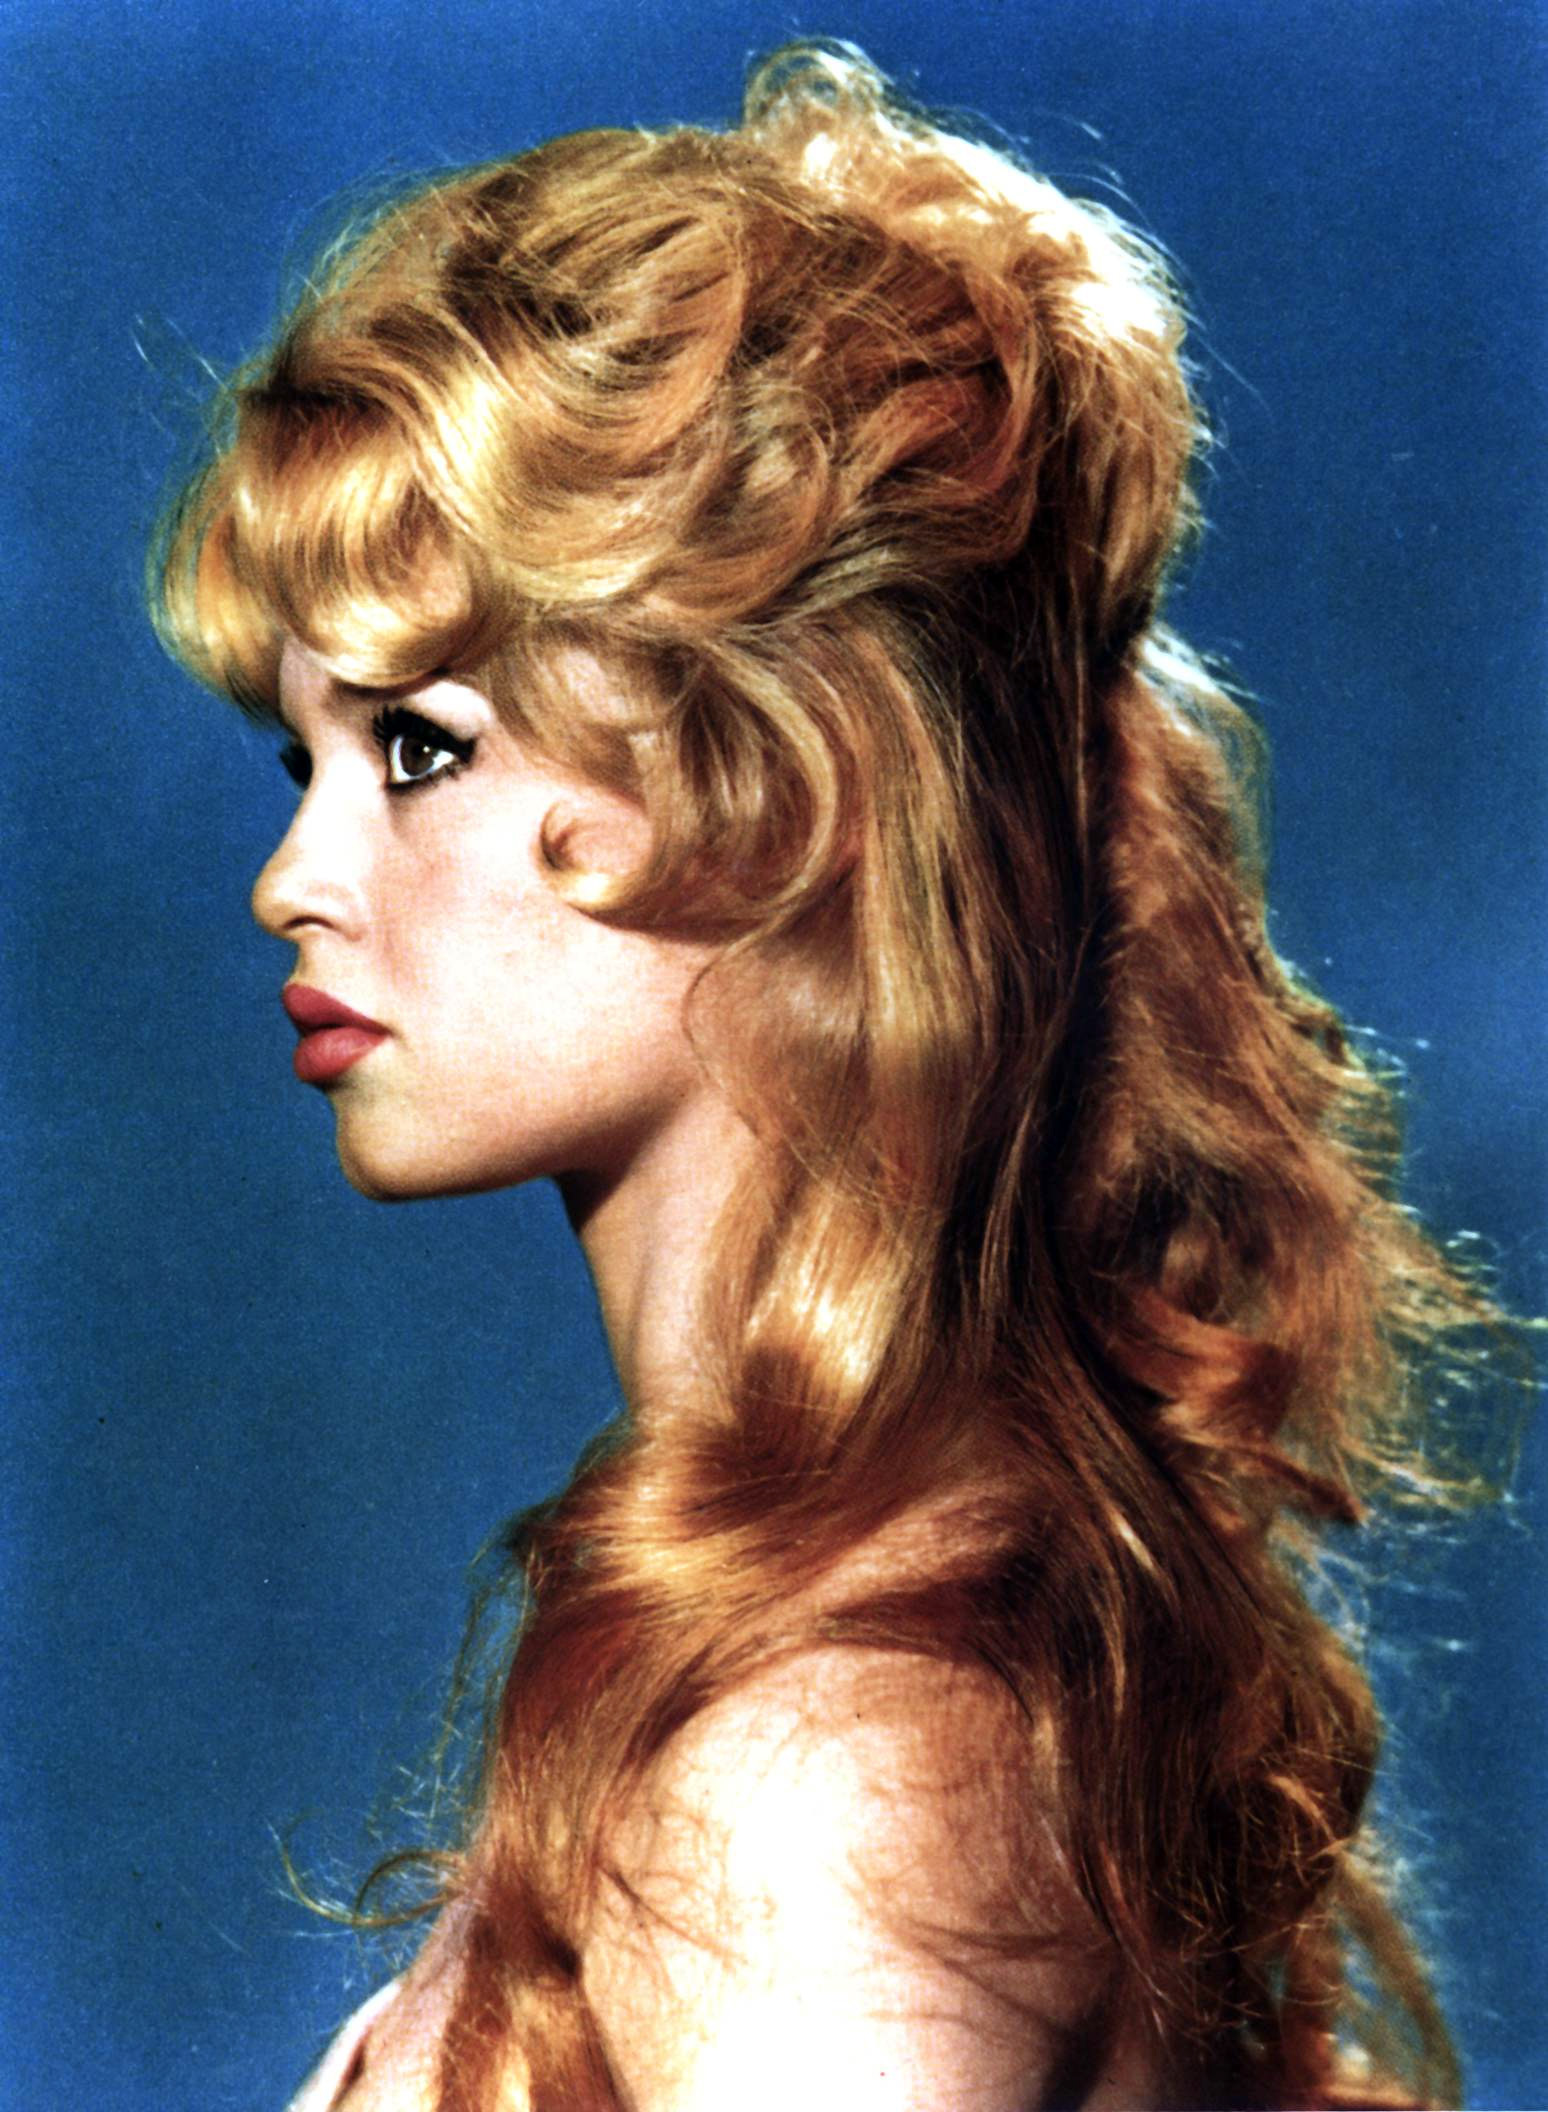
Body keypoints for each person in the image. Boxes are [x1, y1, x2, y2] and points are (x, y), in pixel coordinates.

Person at [150, 43, 1507, 2112]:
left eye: (420, 747)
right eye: (300, 759)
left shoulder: (813, 1790)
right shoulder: (874, 1651)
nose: (292, 881)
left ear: (792, 784)